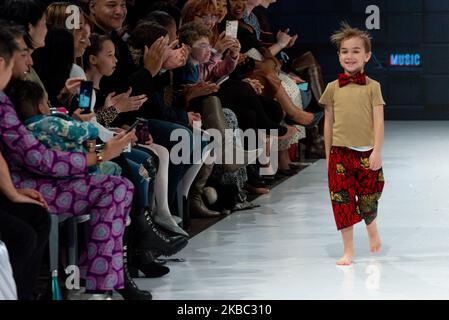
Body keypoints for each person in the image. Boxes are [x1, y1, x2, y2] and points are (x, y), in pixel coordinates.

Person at [319, 23, 385, 266]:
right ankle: (348, 249)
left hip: (366, 152)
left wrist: (377, 151)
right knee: (342, 202)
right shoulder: (332, 88)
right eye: (345, 51)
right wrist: (328, 155)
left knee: (369, 198)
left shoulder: (373, 87)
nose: (350, 56)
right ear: (338, 56)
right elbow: (328, 124)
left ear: (367, 56)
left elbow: (378, 122)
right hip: (339, 154)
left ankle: (372, 226)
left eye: (356, 51)